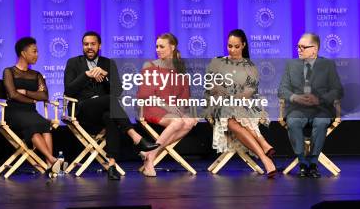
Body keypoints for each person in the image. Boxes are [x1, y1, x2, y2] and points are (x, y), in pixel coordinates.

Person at [63, 31, 158, 180]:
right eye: (86, 44)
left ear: (99, 46)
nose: (89, 47)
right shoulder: (73, 63)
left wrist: (106, 76)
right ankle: (136, 137)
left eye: (93, 44)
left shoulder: (108, 63)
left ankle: (112, 165)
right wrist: (86, 75)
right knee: (110, 101)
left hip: (102, 112)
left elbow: (118, 91)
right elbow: (68, 90)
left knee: (110, 115)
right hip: (81, 110)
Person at [205, 29, 277, 178]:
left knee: (234, 118)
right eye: (229, 46)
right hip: (219, 106)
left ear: (243, 45)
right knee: (227, 113)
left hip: (242, 107)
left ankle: (264, 157)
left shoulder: (250, 67)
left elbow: (248, 93)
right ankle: (263, 149)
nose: (232, 50)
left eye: (236, 46)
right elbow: (211, 89)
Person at [278, 33, 344, 178]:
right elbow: (282, 89)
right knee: (293, 122)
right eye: (298, 47)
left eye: (303, 47)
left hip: (320, 109)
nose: (299, 50)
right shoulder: (291, 65)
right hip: (298, 109)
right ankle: (302, 162)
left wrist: (319, 100)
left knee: (321, 123)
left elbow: (338, 90)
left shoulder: (327, 65)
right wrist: (295, 97)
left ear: (314, 49)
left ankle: (313, 163)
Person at [137, 33, 197, 177]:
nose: (158, 49)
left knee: (189, 122)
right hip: (152, 106)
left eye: (161, 46)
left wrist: (183, 112)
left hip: (172, 109)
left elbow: (184, 96)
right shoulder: (150, 65)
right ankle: (151, 158)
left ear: (172, 47)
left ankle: (150, 154)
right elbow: (145, 95)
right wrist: (167, 106)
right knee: (177, 122)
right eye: (157, 46)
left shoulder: (179, 68)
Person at [2, 37, 63, 176]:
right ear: (23, 53)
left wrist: (26, 92)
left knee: (45, 125)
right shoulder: (9, 72)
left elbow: (44, 96)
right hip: (13, 111)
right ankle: (53, 160)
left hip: (31, 112)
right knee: (33, 127)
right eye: (34, 51)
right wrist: (31, 100)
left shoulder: (36, 75)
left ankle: (50, 165)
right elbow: (12, 95)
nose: (37, 55)